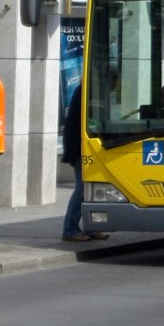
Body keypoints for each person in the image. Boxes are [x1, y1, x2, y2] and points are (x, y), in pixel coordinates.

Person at [61, 83, 109, 242]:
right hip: (80, 149)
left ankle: (92, 227)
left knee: (93, 189)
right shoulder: (87, 93)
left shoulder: (91, 91)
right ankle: (70, 229)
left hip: (88, 148)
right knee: (82, 189)